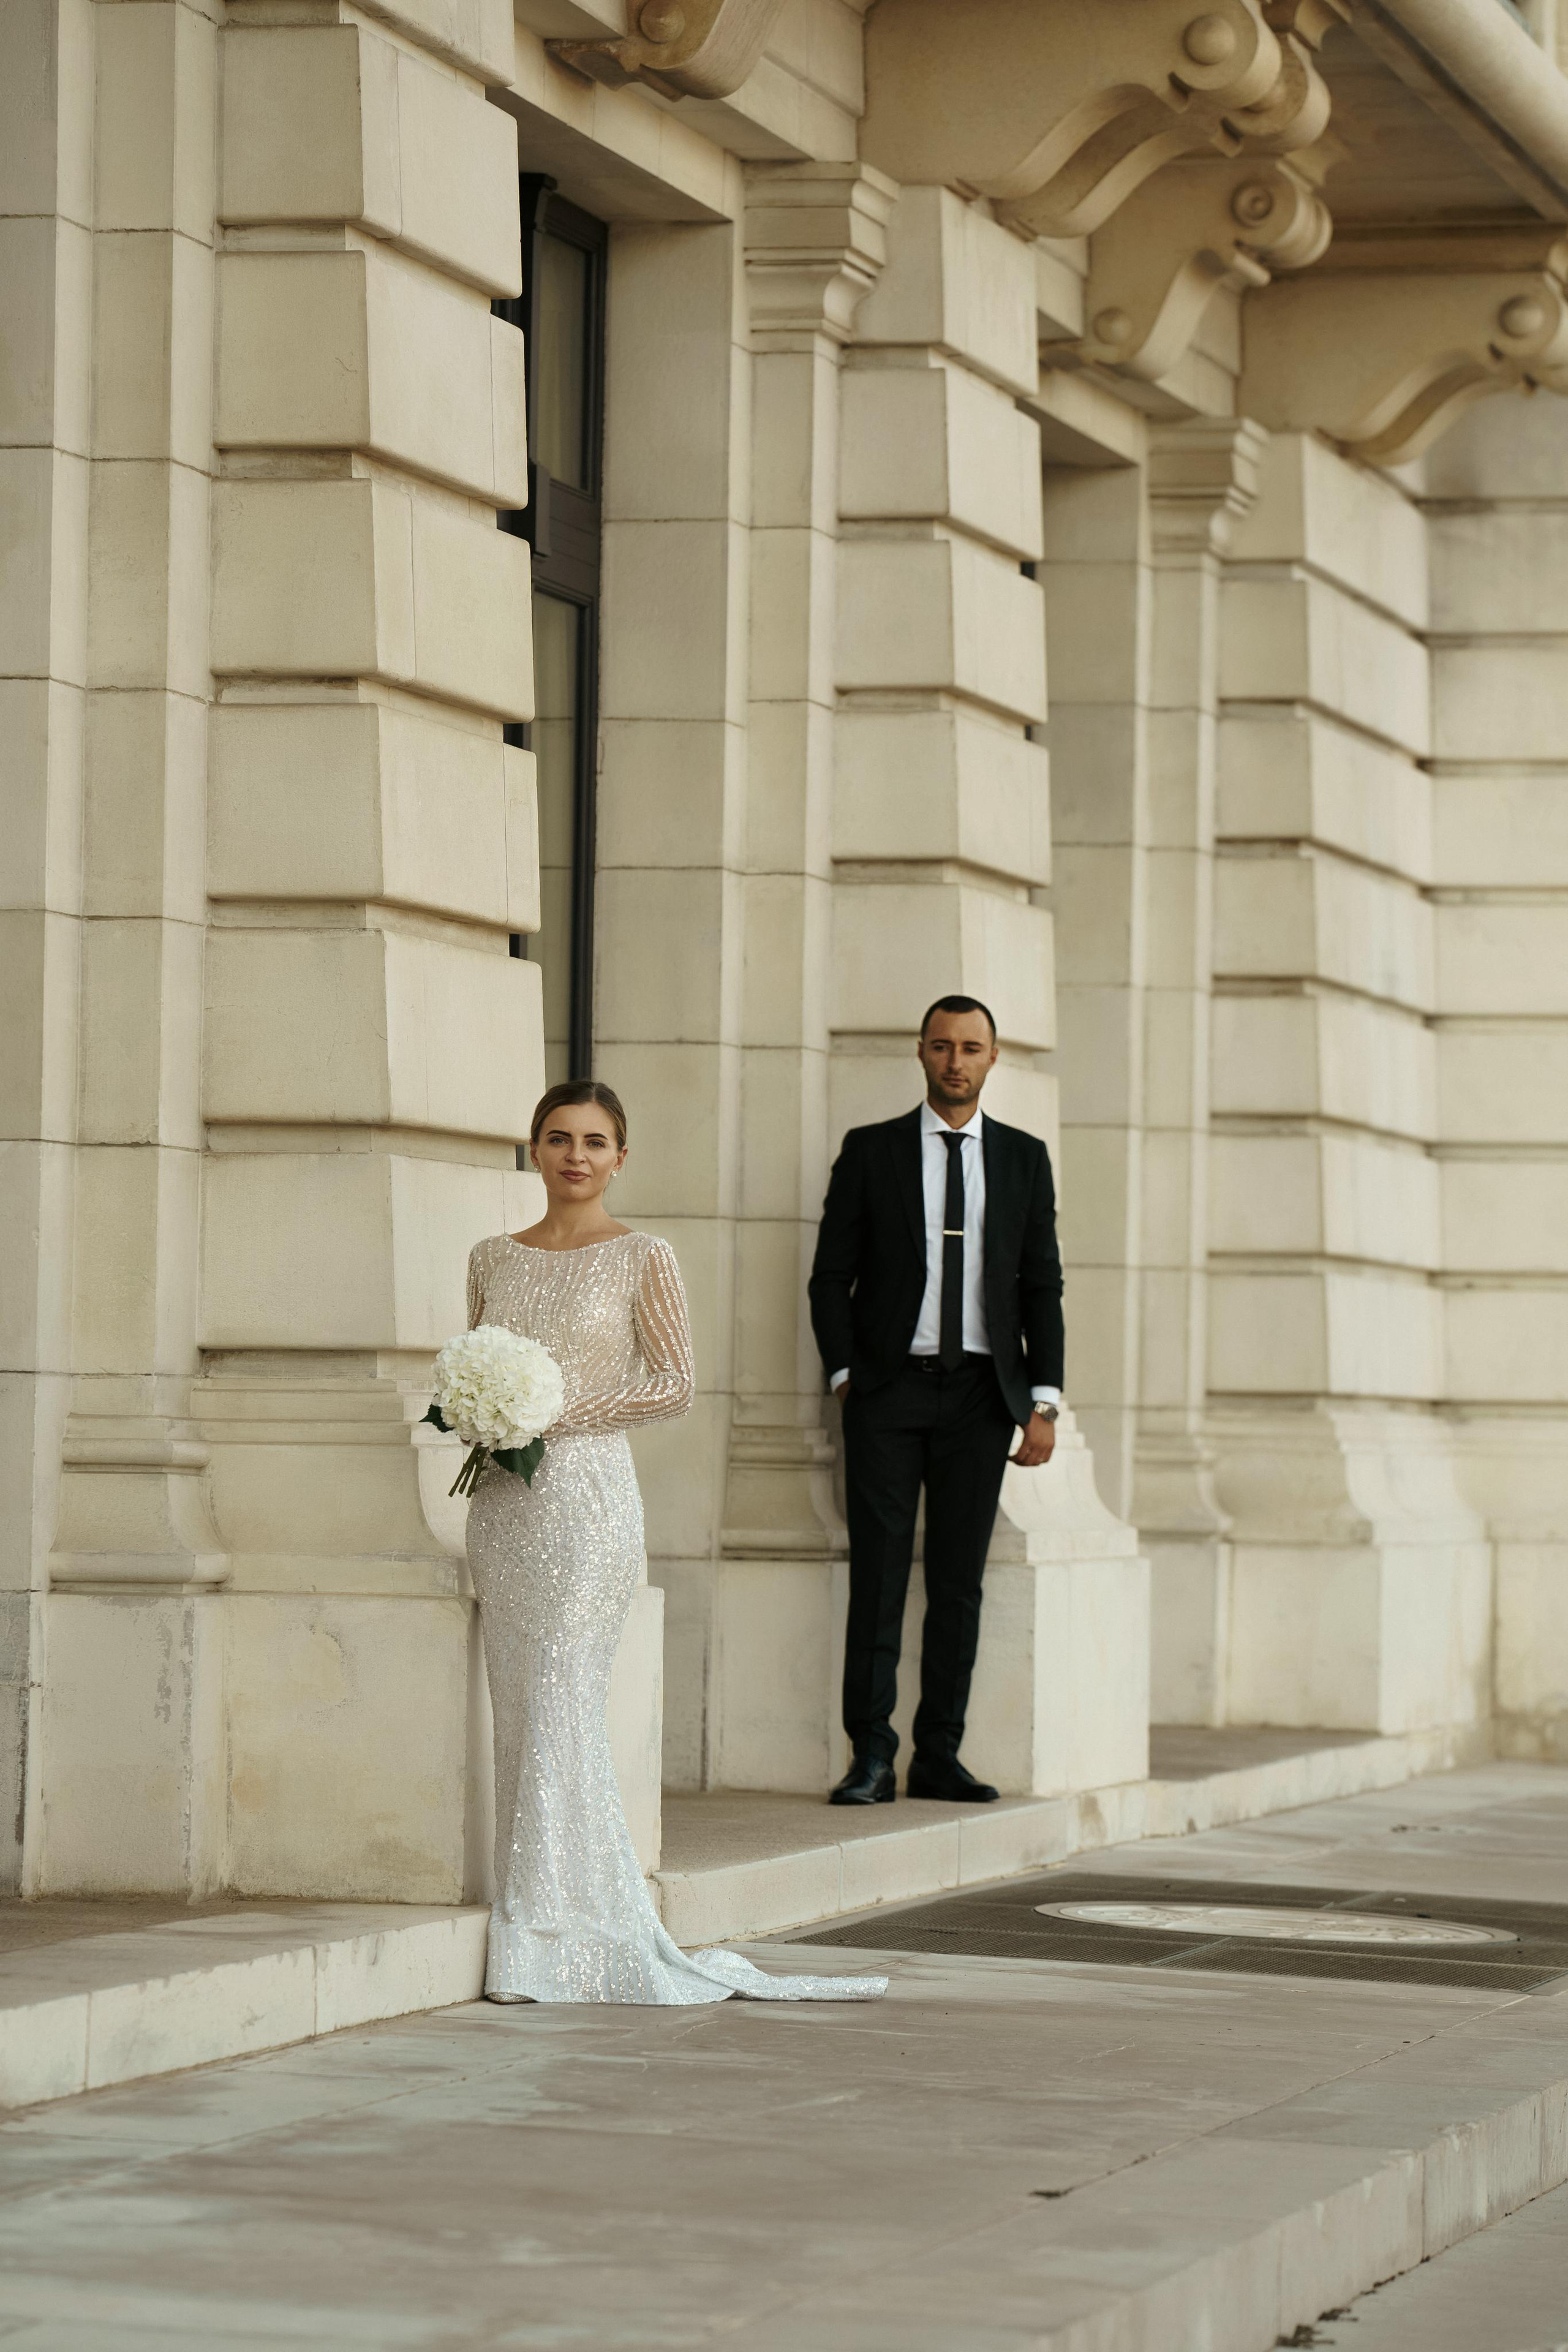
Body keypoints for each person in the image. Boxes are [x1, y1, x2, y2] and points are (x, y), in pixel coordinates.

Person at [464, 1078, 885, 2004]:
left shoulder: (643, 1256)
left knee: (562, 1694)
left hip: (587, 1503)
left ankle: (560, 1928)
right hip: (503, 1506)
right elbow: (476, 1367)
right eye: (560, 1137)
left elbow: (674, 1384)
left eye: (596, 1141)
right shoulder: (492, 1257)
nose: (577, 1155)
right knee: (521, 1701)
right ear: (533, 1149)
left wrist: (551, 1411)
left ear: (622, 1158)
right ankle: (531, 1912)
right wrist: (485, 1416)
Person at [809, 997, 1065, 1807]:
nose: (957, 1061)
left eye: (973, 1048)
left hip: (982, 1400)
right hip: (887, 1393)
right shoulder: (873, 1151)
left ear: (994, 1060)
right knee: (879, 1579)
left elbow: (1041, 1285)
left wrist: (1044, 1401)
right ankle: (871, 1757)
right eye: (943, 1046)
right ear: (921, 1052)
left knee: (958, 1584)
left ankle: (940, 1755)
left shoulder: (1024, 1159)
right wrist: (847, 1377)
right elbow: (828, 1277)